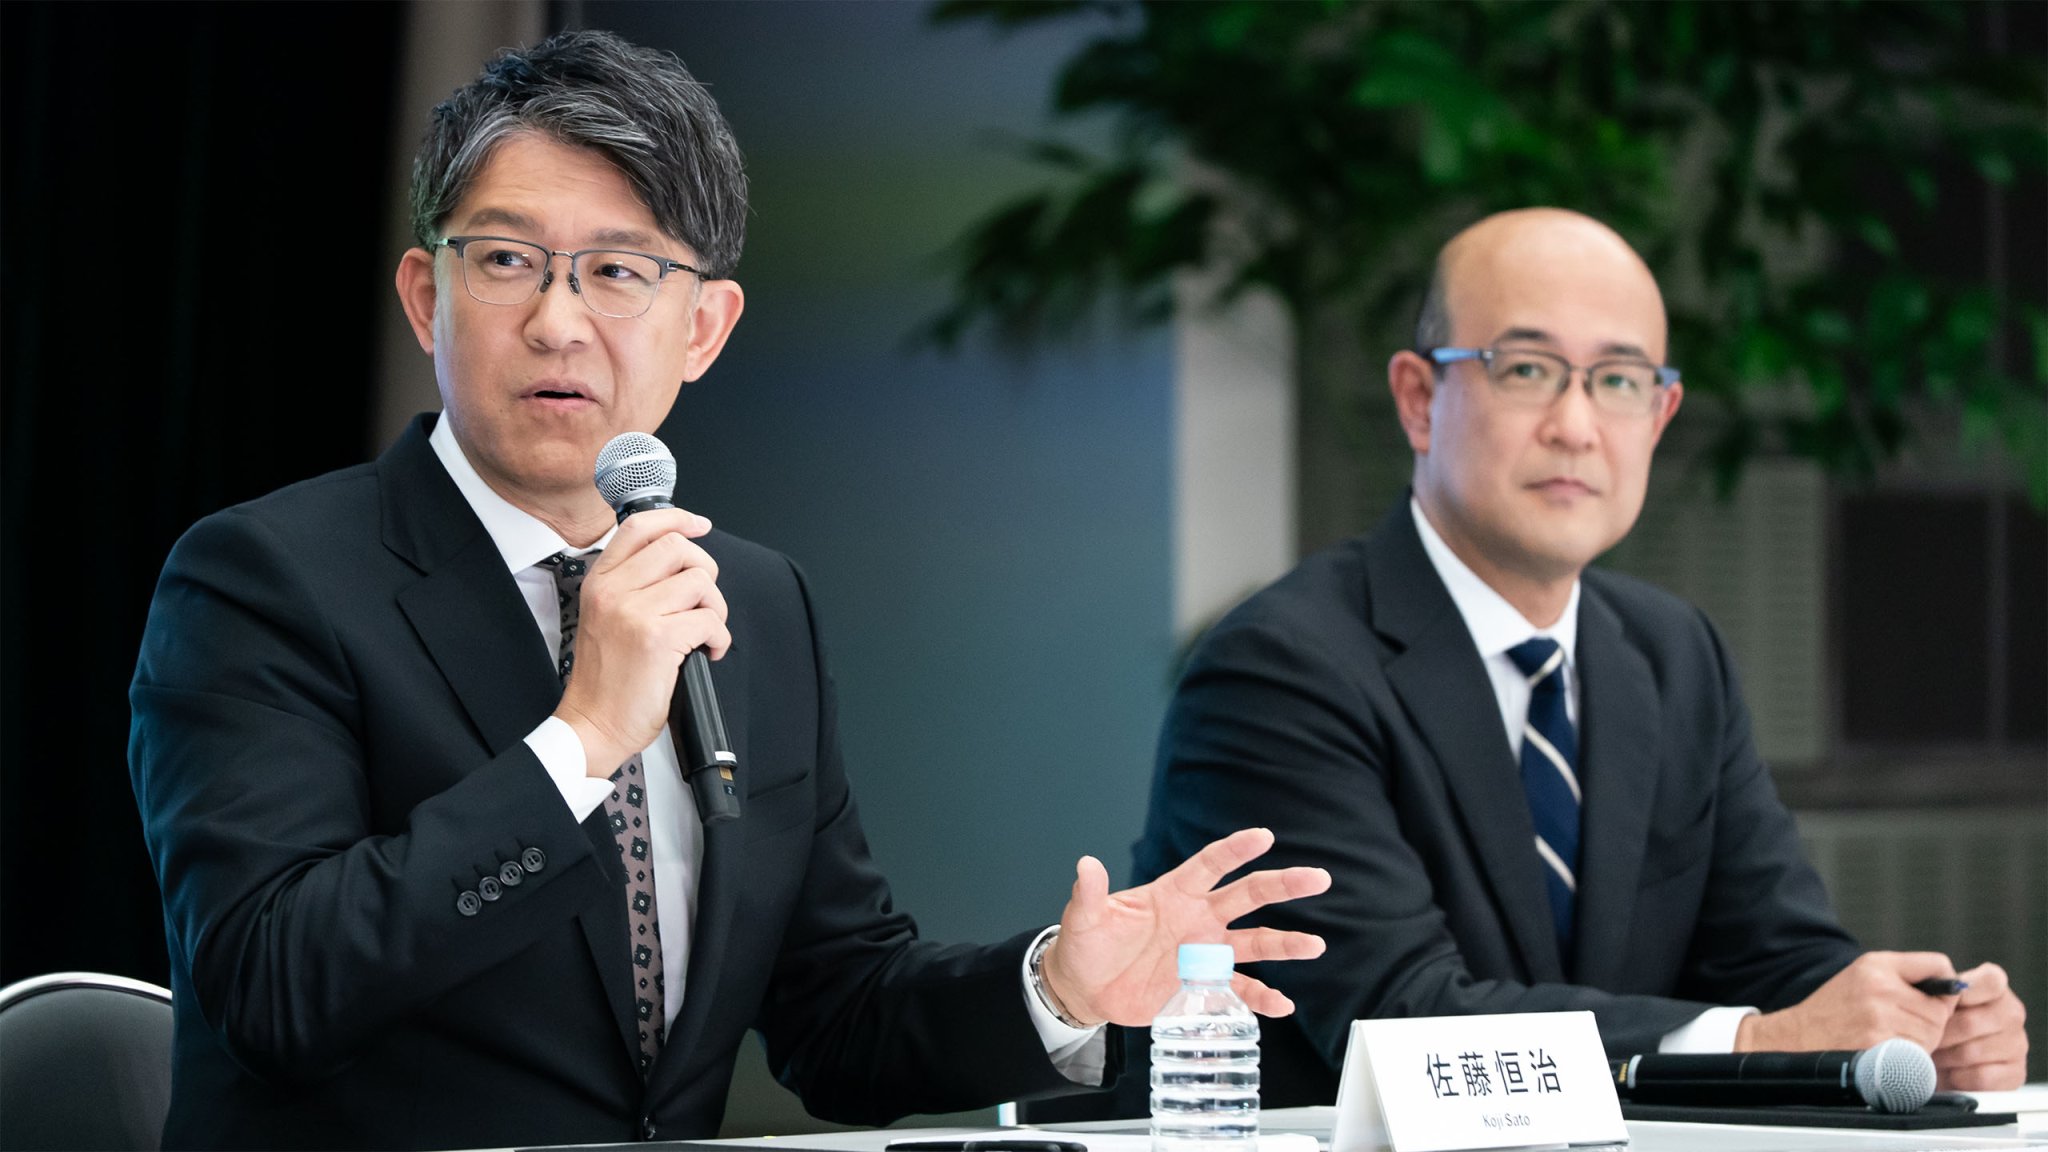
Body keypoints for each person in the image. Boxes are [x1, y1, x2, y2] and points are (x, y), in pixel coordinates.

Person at [127, 30, 1329, 1151]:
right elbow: (270, 989)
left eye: (617, 272)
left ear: (702, 327)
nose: (557, 322)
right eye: (505, 262)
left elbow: (835, 1015)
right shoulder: (264, 580)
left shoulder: (752, 600)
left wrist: (1054, 990)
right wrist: (584, 738)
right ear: (425, 295)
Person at [1128, 207, 2028, 1107]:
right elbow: (1393, 1018)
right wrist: (1763, 1041)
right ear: (1417, 399)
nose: (1576, 424)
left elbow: (1777, 957)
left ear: (1662, 412)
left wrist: (1904, 1031)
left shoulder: (1677, 657)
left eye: (1619, 380)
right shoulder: (1281, 670)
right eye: (1525, 370)